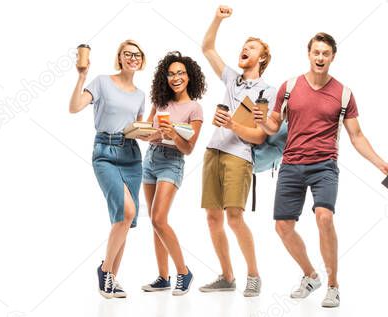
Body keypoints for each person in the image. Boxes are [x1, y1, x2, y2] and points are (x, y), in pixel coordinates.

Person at [255, 32, 388, 308]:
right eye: (316, 52)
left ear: (332, 57)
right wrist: (261, 122)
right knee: (283, 227)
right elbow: (273, 125)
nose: (320, 58)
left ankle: (333, 285)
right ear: (308, 54)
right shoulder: (289, 86)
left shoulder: (344, 94)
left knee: (324, 217)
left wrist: (380, 162)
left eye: (325, 53)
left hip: (324, 164)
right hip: (291, 164)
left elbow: (356, 136)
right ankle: (310, 276)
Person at [197, 5, 270, 297]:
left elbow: (260, 136)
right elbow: (207, 47)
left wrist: (233, 125)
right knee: (212, 218)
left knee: (234, 218)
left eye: (251, 48)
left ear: (262, 58)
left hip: (239, 157)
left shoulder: (267, 92)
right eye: (244, 46)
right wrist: (217, 18)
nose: (245, 49)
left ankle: (253, 275)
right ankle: (227, 277)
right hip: (213, 151)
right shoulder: (231, 79)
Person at [69, 39, 148, 299]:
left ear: (141, 59)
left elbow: (138, 129)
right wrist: (82, 77)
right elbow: (75, 107)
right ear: (120, 57)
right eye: (128, 54)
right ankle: (105, 271)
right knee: (127, 211)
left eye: (137, 55)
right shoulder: (102, 81)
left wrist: (155, 133)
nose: (132, 58)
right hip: (105, 152)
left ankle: (111, 279)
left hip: (131, 155)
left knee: (124, 220)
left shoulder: (140, 95)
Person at [138, 51, 205, 296]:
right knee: (156, 224)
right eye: (171, 73)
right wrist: (148, 132)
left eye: (181, 73)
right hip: (151, 159)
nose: (176, 77)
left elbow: (188, 148)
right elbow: (146, 132)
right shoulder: (160, 102)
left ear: (189, 77)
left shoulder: (194, 108)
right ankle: (163, 277)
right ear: (165, 77)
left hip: (172, 162)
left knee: (158, 218)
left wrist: (173, 134)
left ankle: (183, 272)